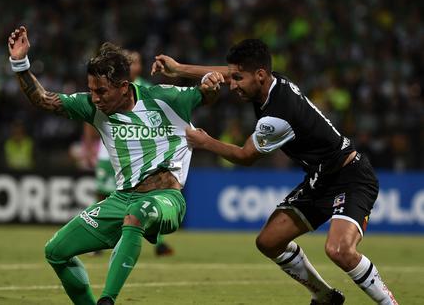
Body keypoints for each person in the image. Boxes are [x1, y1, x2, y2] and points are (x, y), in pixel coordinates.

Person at [153, 39, 398, 304]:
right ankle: (325, 297)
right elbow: (226, 72)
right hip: (320, 179)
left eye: (238, 78)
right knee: (269, 241)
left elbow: (245, 156)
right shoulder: (272, 81)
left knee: (339, 250)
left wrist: (204, 141)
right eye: (232, 77)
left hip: (350, 175)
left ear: (260, 75)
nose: (231, 84)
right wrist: (179, 69)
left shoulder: (278, 116)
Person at [8, 26, 220, 305]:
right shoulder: (94, 108)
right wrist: (20, 63)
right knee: (56, 251)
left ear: (123, 87)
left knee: (137, 212)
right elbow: (44, 99)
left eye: (101, 91)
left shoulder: (166, 99)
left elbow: (209, 93)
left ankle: (107, 300)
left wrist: (212, 85)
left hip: (166, 199)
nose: (95, 98)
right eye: (91, 90)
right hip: (121, 199)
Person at [81, 50, 175, 257]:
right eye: (131, 63)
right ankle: (96, 241)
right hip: (108, 153)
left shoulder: (148, 89)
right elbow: (91, 117)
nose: (135, 66)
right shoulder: (104, 87)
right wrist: (88, 147)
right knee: (103, 195)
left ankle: (158, 242)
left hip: (139, 156)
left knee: (146, 197)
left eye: (138, 62)